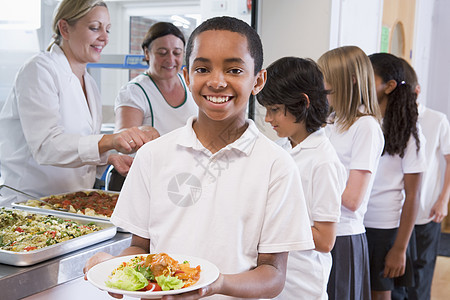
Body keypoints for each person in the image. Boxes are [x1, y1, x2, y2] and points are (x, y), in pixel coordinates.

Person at [83, 16, 315, 299]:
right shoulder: (153, 156)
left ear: (258, 80)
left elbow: (273, 275)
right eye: (203, 68)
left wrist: (216, 284)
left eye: (234, 70)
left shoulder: (277, 166)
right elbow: (140, 248)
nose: (217, 82)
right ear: (187, 75)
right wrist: (116, 270)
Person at [0, 0, 153, 200]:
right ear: (65, 28)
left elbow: (76, 148)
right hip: (29, 202)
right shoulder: (39, 69)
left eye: (107, 30)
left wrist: (108, 158)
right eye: (94, 28)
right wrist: (109, 140)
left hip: (73, 202)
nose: (104, 38)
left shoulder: (89, 83)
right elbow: (46, 146)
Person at [256, 56, 346, 299]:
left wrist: (270, 220)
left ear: (302, 103)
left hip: (301, 285)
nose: (267, 119)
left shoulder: (323, 161)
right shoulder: (281, 147)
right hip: (271, 278)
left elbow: (325, 240)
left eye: (274, 110)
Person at [317, 45, 385, 300]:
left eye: (326, 79)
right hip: (322, 230)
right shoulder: (332, 122)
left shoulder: (365, 126)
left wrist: (311, 185)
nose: (322, 86)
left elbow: (353, 200)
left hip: (344, 236)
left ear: (350, 81)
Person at [364, 53, 427, 300]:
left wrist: (400, 248)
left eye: (369, 78)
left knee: (380, 294)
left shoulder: (409, 132)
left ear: (389, 86)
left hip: (385, 228)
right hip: (354, 223)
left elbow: (413, 196)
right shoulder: (360, 120)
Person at [107, 22, 198, 190]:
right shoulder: (134, 91)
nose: (170, 59)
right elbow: (122, 140)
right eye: (162, 53)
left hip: (182, 178)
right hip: (143, 180)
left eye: (177, 53)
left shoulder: (191, 85)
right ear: (147, 53)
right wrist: (142, 133)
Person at [394, 58, 450, 300]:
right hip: (395, 215)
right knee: (398, 282)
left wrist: (443, 199)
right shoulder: (391, 120)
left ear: (417, 90)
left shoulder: (437, 120)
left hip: (427, 212)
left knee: (421, 278)